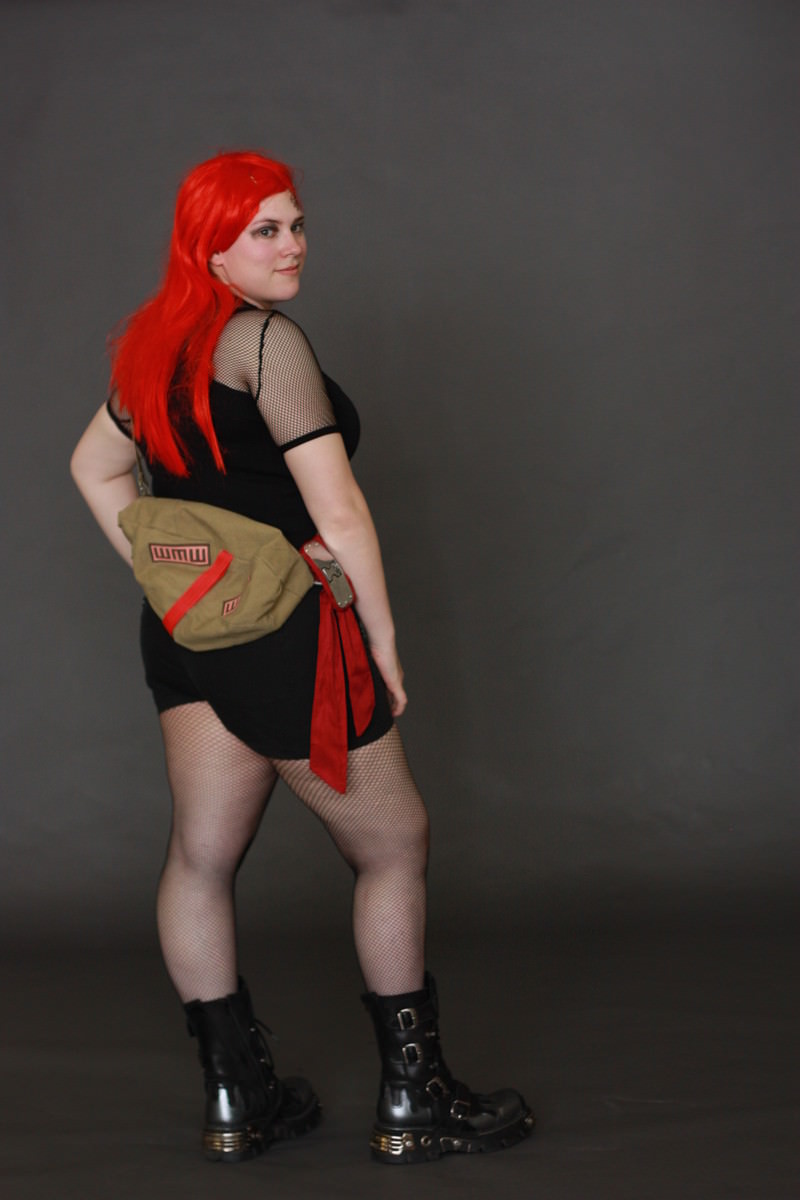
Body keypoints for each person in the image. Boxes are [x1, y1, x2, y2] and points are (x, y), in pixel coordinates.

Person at [70, 150, 533, 1166]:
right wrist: (382, 641)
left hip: (191, 640)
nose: (292, 247)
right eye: (264, 231)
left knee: (201, 858)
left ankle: (238, 1102)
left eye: (295, 224)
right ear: (211, 248)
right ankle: (415, 1102)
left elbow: (93, 467)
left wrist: (173, 573)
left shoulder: (154, 345)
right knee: (393, 845)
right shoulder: (263, 340)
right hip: (286, 639)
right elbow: (340, 512)